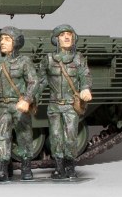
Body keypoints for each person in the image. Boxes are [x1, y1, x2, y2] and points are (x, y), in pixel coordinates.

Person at [39, 24, 92, 179]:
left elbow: (85, 75)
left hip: (70, 105)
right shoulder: (49, 59)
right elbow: (40, 81)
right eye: (62, 35)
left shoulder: (78, 59)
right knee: (55, 136)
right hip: (54, 105)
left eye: (69, 34)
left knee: (71, 136)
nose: (67, 37)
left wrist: (86, 88)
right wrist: (30, 98)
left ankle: (70, 166)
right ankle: (58, 166)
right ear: (56, 39)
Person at [0, 26, 39, 181]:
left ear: (16, 42)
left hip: (19, 105)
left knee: (24, 136)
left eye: (7, 39)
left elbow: (33, 81)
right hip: (2, 105)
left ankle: (26, 167)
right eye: (1, 39)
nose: (2, 42)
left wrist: (27, 99)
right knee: (1, 137)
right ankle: (3, 168)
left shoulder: (24, 61)